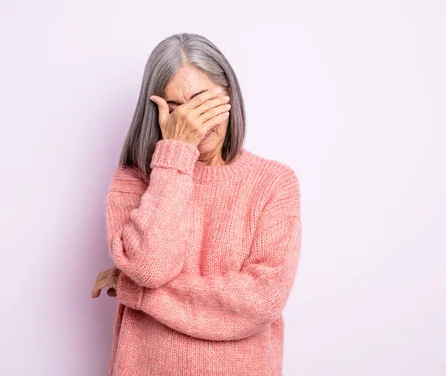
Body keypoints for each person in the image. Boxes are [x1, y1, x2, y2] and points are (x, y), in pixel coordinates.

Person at [92, 32, 302, 376]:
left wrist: (139, 293)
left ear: (228, 94)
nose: (192, 121)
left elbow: (260, 301)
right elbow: (149, 267)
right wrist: (175, 157)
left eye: (202, 102)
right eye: (175, 109)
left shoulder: (273, 183)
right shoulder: (135, 179)